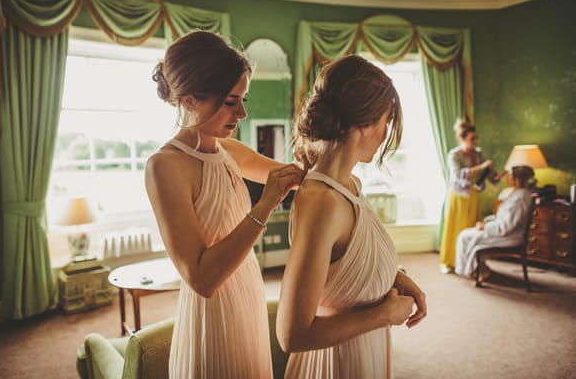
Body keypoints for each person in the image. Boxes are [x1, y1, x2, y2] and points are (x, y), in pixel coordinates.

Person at [145, 30, 305, 378]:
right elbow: (202, 279)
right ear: (190, 100)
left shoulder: (228, 150)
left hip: (249, 293)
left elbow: (293, 176)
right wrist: (264, 206)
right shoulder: (166, 166)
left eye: (243, 99)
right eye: (231, 102)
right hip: (213, 313)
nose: (243, 113)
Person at [276, 55, 427, 378]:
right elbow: (292, 334)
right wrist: (384, 314)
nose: (385, 133)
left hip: (365, 349)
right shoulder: (323, 202)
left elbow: (343, 266)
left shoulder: (350, 185)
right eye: (385, 121)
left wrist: (394, 277)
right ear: (364, 124)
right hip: (336, 363)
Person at [438, 118, 506, 273]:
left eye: (476, 138)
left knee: (471, 228)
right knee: (456, 228)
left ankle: (469, 263)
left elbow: (488, 174)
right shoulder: (454, 155)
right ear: (462, 139)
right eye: (472, 139)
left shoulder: (479, 153)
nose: (475, 141)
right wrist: (482, 166)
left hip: (474, 195)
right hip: (459, 196)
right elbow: (458, 175)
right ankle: (449, 262)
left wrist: (497, 176)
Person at [454, 166, 536, 278]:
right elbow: (504, 218)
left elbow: (507, 227)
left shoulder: (520, 199)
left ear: (518, 179)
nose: (507, 177)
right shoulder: (518, 193)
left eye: (510, 175)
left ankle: (475, 269)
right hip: (505, 231)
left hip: (509, 236)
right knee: (467, 234)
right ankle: (478, 267)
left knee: (465, 236)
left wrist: (485, 227)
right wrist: (486, 222)